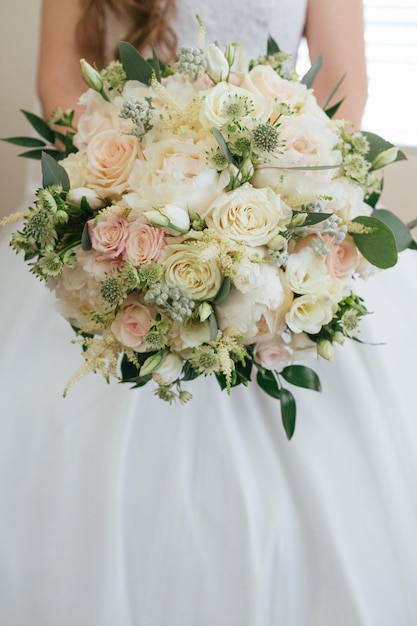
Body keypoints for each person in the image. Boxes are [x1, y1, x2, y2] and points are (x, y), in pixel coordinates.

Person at [0, 1, 416, 625]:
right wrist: (128, 192)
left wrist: (275, 192)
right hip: (117, 209)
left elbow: (341, 87)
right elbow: (59, 82)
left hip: (272, 200)